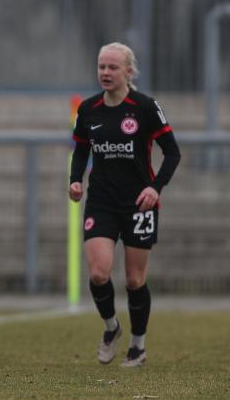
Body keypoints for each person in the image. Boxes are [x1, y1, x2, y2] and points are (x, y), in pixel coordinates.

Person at [69, 42, 180, 367]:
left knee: (134, 280)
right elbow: (81, 150)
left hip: (139, 205)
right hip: (101, 201)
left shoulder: (144, 107)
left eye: (112, 67)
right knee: (98, 273)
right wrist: (76, 180)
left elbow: (172, 152)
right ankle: (111, 327)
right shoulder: (88, 109)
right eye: (101, 66)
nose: (105, 72)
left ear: (128, 72)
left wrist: (155, 189)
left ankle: (137, 346)